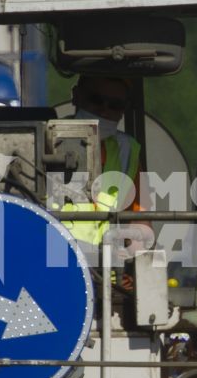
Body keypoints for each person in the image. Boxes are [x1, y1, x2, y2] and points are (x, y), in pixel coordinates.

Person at [58, 74, 145, 256]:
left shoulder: (128, 150)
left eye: (115, 105)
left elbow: (139, 220)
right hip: (56, 264)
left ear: (124, 109)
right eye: (96, 100)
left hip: (108, 270)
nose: (104, 110)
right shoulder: (47, 143)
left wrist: (136, 261)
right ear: (76, 96)